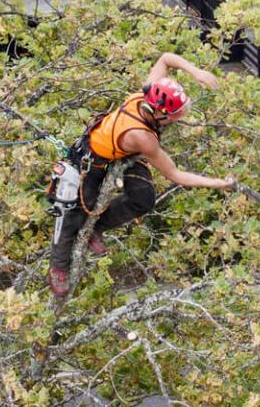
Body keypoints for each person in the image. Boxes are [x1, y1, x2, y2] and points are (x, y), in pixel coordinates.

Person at [47, 53, 236, 299]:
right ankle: (58, 267)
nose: (178, 119)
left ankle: (97, 227)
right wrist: (219, 183)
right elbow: (175, 174)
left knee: (143, 198)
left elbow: (166, 59)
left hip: (122, 154)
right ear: (158, 113)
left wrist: (196, 72)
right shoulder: (143, 138)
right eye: (175, 115)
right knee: (72, 215)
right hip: (92, 161)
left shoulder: (145, 93)